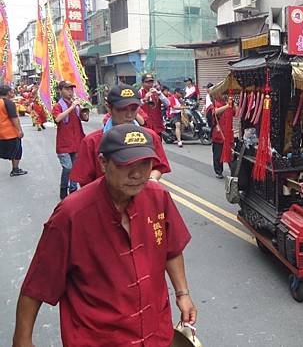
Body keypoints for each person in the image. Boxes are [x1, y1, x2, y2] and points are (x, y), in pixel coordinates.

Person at [13, 124, 196, 346]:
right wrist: (22, 339)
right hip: (98, 338)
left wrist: (182, 293)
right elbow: (38, 284)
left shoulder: (159, 198)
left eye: (145, 164)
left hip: (155, 333)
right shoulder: (72, 214)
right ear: (103, 163)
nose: (137, 174)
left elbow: (172, 249)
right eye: (126, 165)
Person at [71, 84, 171, 187]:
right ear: (109, 107)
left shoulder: (150, 136)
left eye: (133, 109)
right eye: (122, 109)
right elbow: (85, 181)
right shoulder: (91, 142)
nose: (129, 115)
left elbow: (159, 166)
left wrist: (150, 181)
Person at [52, 80, 86, 199]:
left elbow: (84, 118)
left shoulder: (75, 105)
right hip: (64, 143)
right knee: (68, 168)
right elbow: (58, 119)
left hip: (77, 141)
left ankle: (73, 190)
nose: (70, 92)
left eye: (71, 89)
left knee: (75, 168)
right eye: (67, 89)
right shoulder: (57, 106)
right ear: (60, 91)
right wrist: (72, 107)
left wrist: (82, 110)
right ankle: (63, 189)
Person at [0, 85, 27, 177]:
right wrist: (19, 130)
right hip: (9, 133)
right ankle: (15, 169)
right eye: (11, 91)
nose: (13, 93)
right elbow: (14, 118)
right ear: (8, 93)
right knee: (17, 151)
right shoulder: (8, 103)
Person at [207, 92, 234, 179]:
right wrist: (227, 106)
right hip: (218, 133)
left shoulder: (227, 103)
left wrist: (233, 103)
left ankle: (234, 171)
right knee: (218, 155)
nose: (223, 96)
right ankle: (218, 171)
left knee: (231, 154)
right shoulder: (214, 104)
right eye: (222, 94)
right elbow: (215, 112)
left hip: (228, 133)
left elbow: (236, 112)